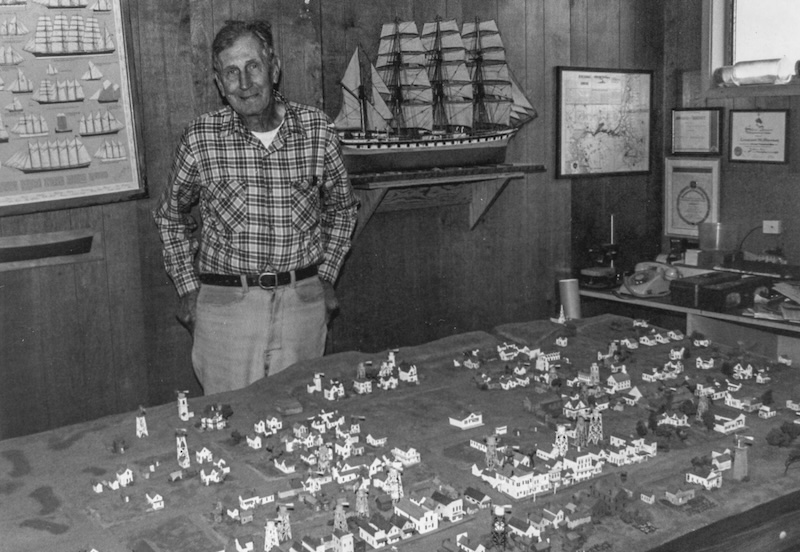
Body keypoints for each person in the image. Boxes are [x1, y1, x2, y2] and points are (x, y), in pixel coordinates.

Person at [153, 19, 358, 395]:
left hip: (302, 306)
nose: (244, 83)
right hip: (226, 311)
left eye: (253, 67)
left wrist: (326, 276)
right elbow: (170, 216)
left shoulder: (317, 131)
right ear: (219, 83)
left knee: (304, 419)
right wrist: (187, 288)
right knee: (230, 423)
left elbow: (343, 209)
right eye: (231, 73)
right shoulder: (201, 138)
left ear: (274, 69)